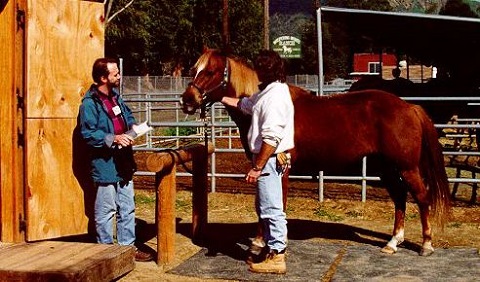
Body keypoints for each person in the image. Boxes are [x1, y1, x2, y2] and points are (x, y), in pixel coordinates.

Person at [220, 50, 294, 274]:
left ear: (265, 70)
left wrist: (257, 167)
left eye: (258, 68)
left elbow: (271, 139)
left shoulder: (275, 98)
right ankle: (273, 248)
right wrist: (219, 97)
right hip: (268, 159)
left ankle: (278, 255)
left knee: (272, 207)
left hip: (269, 159)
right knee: (266, 205)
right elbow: (247, 105)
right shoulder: (268, 92)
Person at [78, 57, 153, 262]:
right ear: (103, 77)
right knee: (106, 210)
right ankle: (105, 252)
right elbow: (89, 134)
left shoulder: (116, 97)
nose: (119, 76)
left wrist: (132, 130)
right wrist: (113, 138)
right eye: (115, 74)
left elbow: (127, 116)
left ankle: (127, 248)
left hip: (124, 162)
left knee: (127, 207)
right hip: (106, 165)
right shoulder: (89, 105)